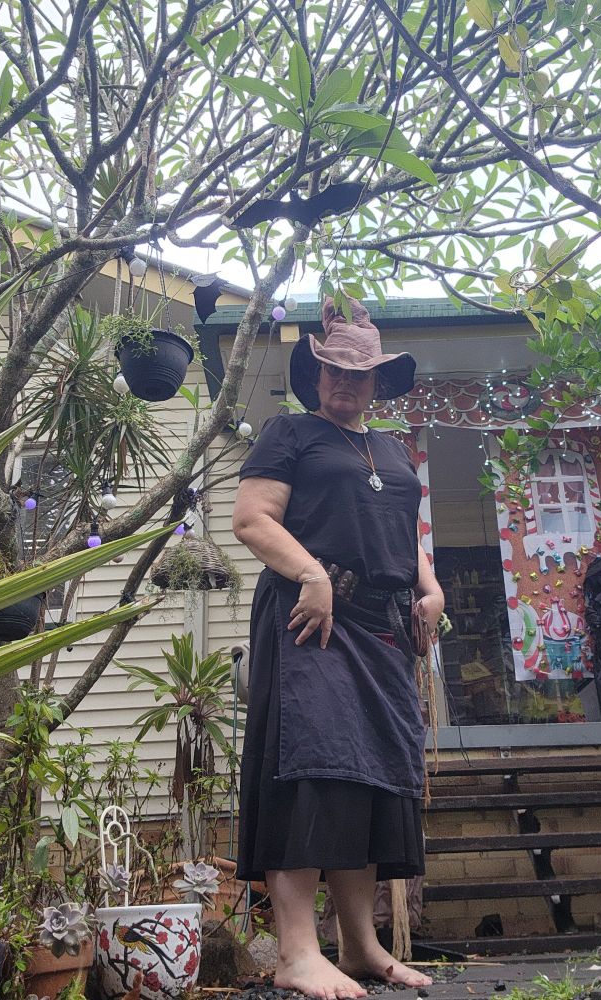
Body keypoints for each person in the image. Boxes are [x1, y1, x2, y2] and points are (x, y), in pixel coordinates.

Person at [232, 297, 445, 1000]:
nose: (345, 382)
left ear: (380, 381)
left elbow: (401, 535)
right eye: (333, 369)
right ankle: (297, 951)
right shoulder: (291, 432)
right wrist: (313, 574)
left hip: (381, 628)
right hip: (311, 620)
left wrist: (432, 588)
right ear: (316, 374)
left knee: (369, 776)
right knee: (313, 768)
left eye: (360, 372)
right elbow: (252, 519)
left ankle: (360, 945)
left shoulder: (389, 450)